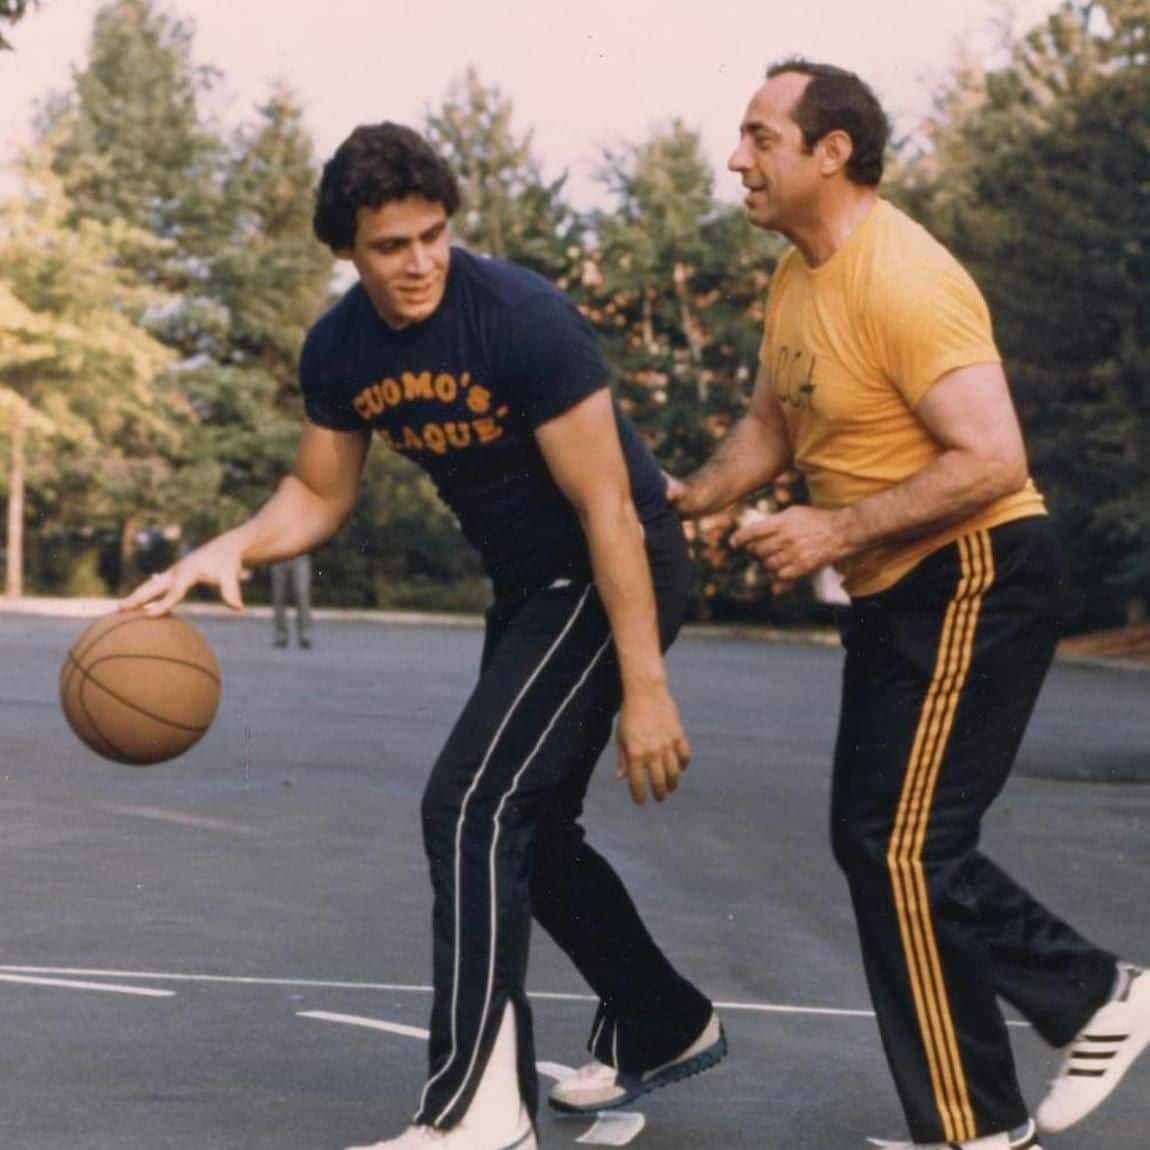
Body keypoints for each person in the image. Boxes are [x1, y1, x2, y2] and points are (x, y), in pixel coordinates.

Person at [122, 122, 725, 1150]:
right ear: (349, 251)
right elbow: (318, 491)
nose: (419, 262)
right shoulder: (344, 346)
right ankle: (664, 1020)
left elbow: (611, 510)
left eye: (433, 235)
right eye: (392, 245)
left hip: (611, 568)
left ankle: (477, 1115)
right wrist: (225, 548)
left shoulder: (522, 319)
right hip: (532, 589)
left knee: (471, 806)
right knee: (523, 833)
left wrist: (646, 684)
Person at [668, 58, 1149, 1150]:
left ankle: (1066, 1028)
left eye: (758, 137)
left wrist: (832, 529)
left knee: (903, 842)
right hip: (899, 587)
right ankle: (1007, 1083)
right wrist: (688, 497)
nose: (735, 158)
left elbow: (991, 456)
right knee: (874, 840)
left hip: (976, 570)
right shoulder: (796, 278)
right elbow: (773, 427)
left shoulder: (905, 276)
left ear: (829, 152)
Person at [270, 552, 313, 648]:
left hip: (300, 554)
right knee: (278, 596)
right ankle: (281, 635)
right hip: (278, 555)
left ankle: (305, 635)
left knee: (302, 594)